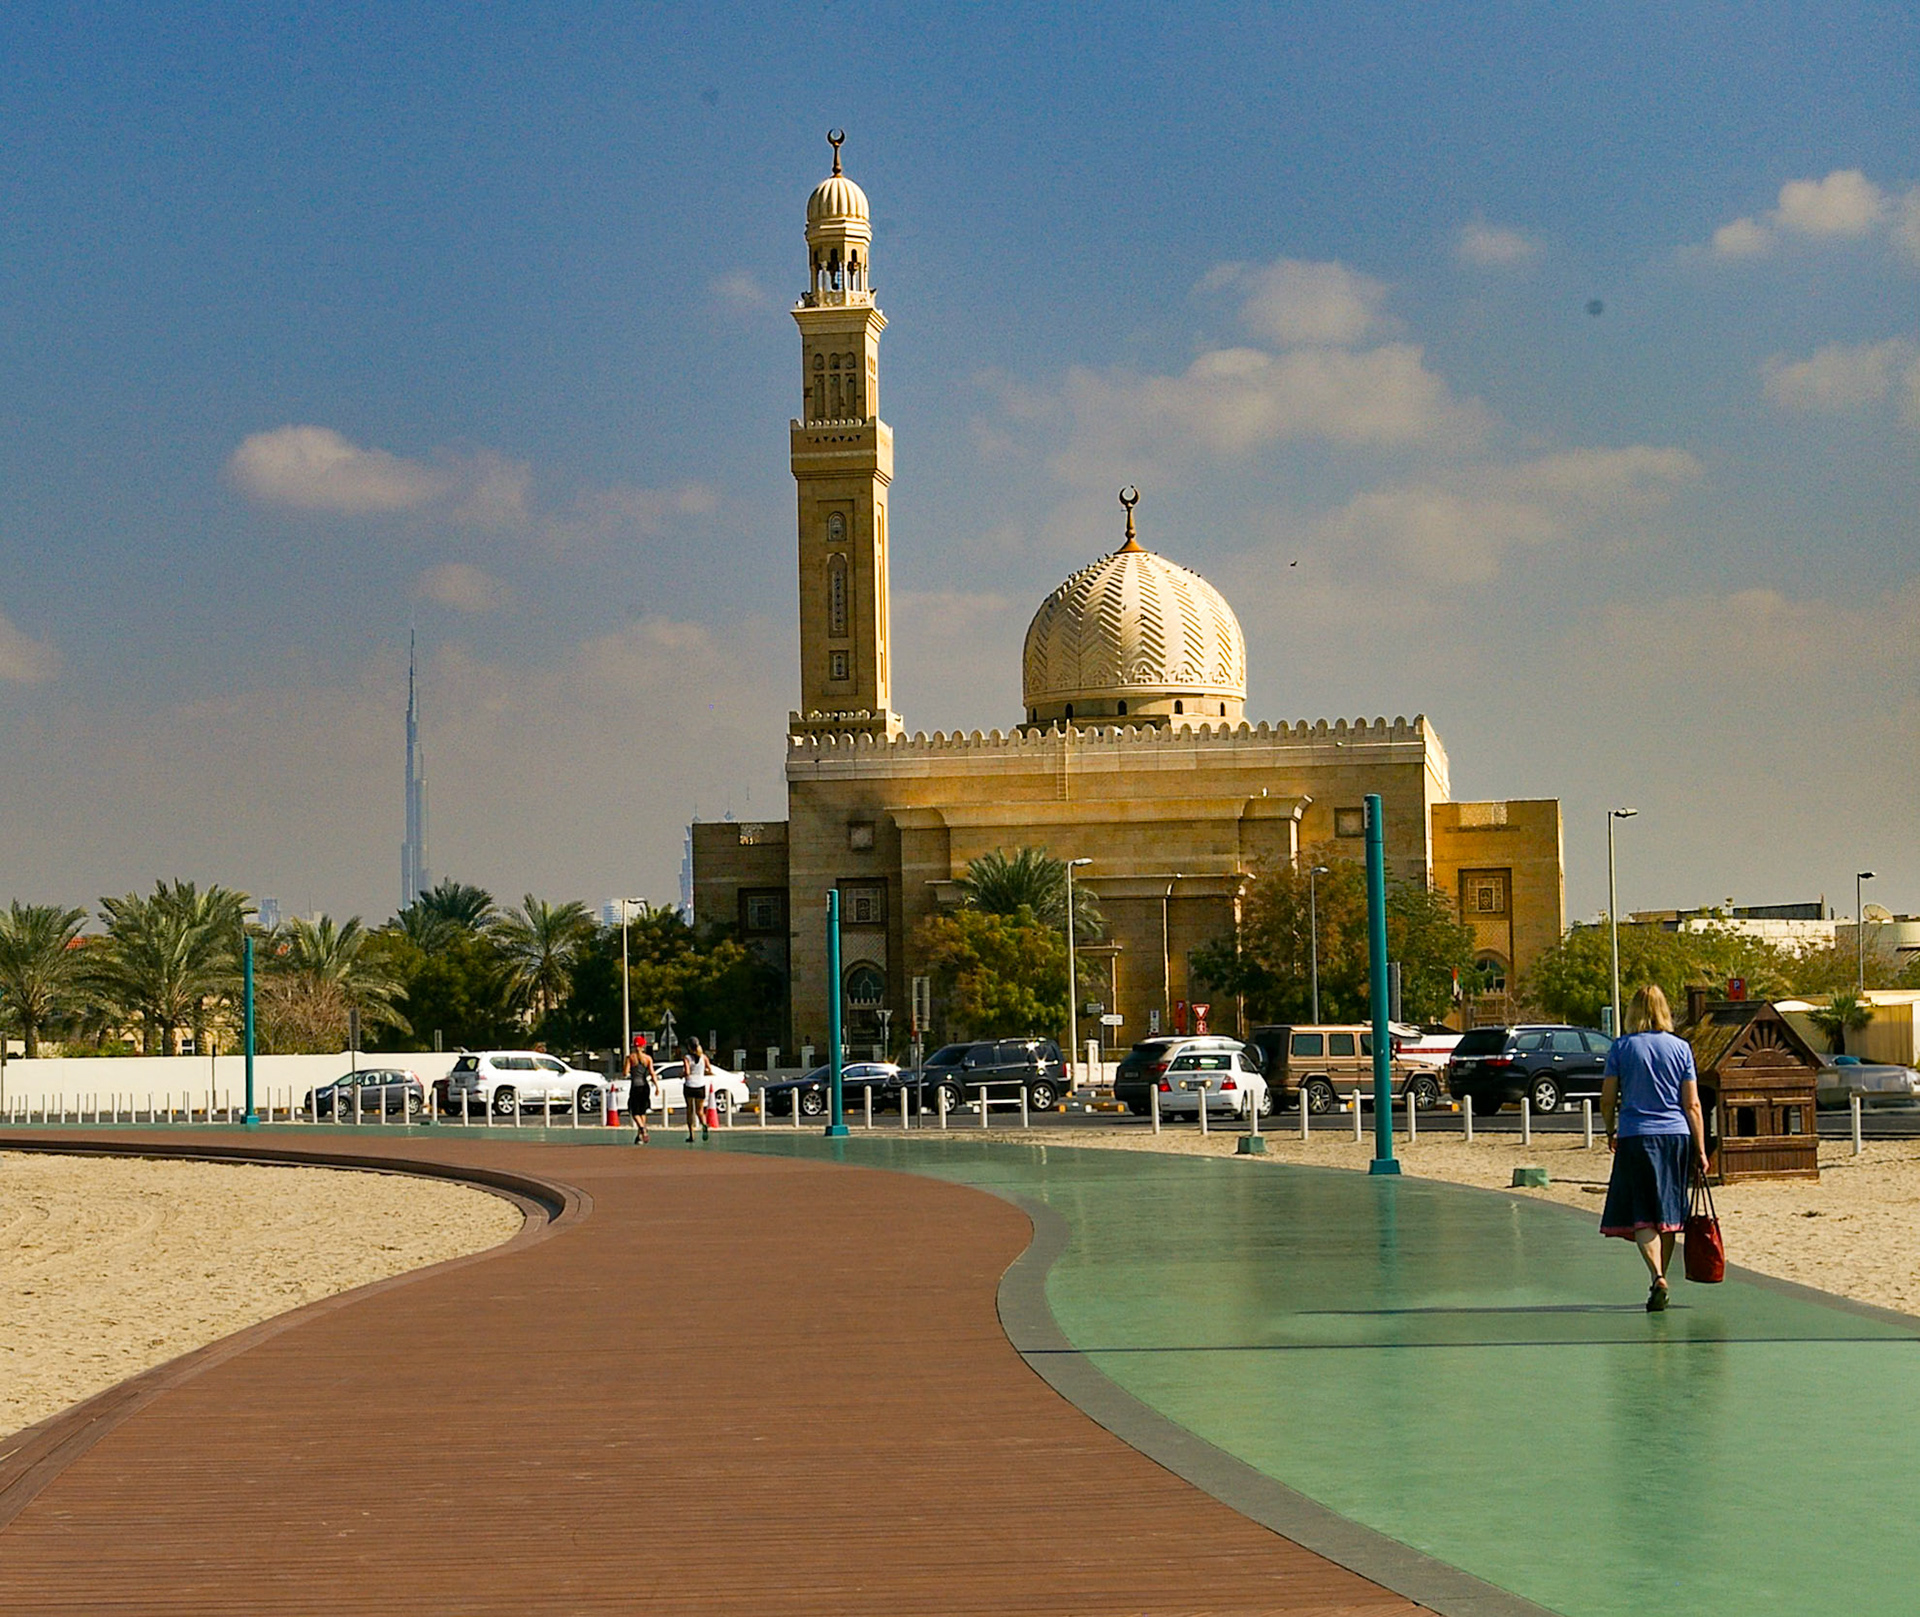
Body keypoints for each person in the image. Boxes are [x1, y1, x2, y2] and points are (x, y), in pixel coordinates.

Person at [1599, 984, 1710, 1311]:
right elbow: (1692, 1104)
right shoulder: (1681, 1048)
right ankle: (1663, 1275)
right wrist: (1701, 1149)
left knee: (1642, 1213)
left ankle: (1657, 1275)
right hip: (1675, 1136)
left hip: (1635, 1135)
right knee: (1669, 1211)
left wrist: (1610, 1129)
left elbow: (1607, 1099)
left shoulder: (1621, 1048)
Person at [624, 1035, 655, 1145]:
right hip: (645, 1086)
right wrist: (657, 1086)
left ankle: (642, 1128)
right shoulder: (648, 1059)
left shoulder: (630, 1058)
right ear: (643, 1046)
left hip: (635, 1086)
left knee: (634, 1111)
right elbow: (652, 1073)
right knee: (642, 1111)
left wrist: (628, 1073)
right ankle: (640, 1136)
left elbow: (625, 1072)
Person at [681, 1038, 714, 1142]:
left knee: (690, 1110)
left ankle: (691, 1134)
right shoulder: (704, 1057)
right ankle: (704, 1124)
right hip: (700, 1085)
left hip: (690, 1085)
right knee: (700, 1111)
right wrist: (701, 1072)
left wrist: (681, 1075)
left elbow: (687, 1072)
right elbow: (709, 1069)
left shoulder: (687, 1058)